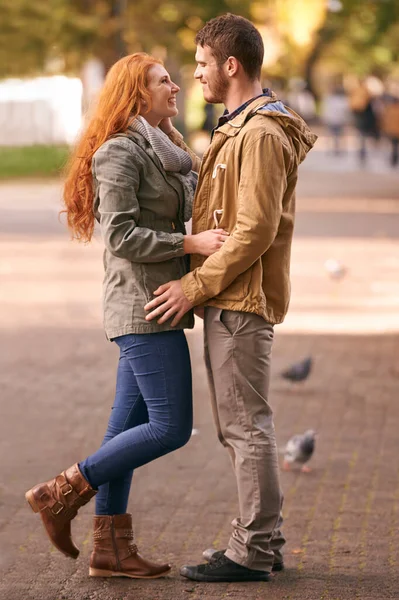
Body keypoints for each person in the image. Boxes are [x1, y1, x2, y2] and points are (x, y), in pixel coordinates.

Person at [25, 52, 229, 579]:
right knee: (170, 427)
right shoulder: (119, 152)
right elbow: (120, 235)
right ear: (138, 94)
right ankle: (60, 491)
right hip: (142, 306)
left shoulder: (170, 147)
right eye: (164, 81)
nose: (177, 86)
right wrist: (190, 242)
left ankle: (110, 549)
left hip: (154, 303)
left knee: (125, 429)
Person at [145, 14, 317, 583]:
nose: (195, 76)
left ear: (230, 65)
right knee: (243, 426)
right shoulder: (242, 125)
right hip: (232, 296)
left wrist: (192, 286)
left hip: (240, 301)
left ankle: (251, 550)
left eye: (200, 66)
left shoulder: (262, 134)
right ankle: (264, 539)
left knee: (245, 426)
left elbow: (255, 231)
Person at [321, 85, 351, 155]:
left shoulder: (329, 99)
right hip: (339, 119)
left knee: (332, 135)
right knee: (339, 135)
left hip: (332, 119)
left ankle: (333, 149)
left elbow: (325, 110)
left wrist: (324, 118)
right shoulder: (343, 100)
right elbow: (346, 111)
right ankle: (338, 149)